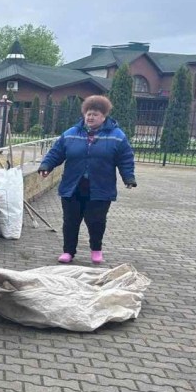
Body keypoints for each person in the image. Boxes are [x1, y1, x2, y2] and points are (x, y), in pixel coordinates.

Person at [38, 95, 136, 265]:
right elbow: (56, 152)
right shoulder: (70, 134)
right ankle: (68, 251)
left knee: (96, 221)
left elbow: (125, 158)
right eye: (88, 113)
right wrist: (46, 165)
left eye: (95, 114)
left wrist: (128, 177)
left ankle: (96, 250)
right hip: (73, 187)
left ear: (104, 116)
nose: (91, 117)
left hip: (100, 188)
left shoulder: (117, 136)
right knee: (70, 221)